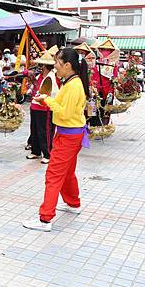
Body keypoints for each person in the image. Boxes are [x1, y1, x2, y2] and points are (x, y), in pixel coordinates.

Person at [22, 48, 90, 232]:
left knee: (53, 175)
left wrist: (47, 101)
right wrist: (47, 99)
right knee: (67, 172)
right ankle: (73, 203)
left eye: (58, 64)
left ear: (68, 65)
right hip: (69, 134)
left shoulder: (73, 86)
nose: (55, 68)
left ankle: (45, 219)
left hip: (68, 135)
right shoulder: (71, 83)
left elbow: (64, 113)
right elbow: (63, 106)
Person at [27, 49, 59, 164]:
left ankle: (47, 153)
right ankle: (35, 151)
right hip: (35, 106)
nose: (39, 67)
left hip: (45, 108)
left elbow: (53, 93)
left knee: (44, 131)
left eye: (41, 65)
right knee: (34, 130)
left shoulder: (51, 77)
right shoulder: (40, 76)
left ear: (45, 66)